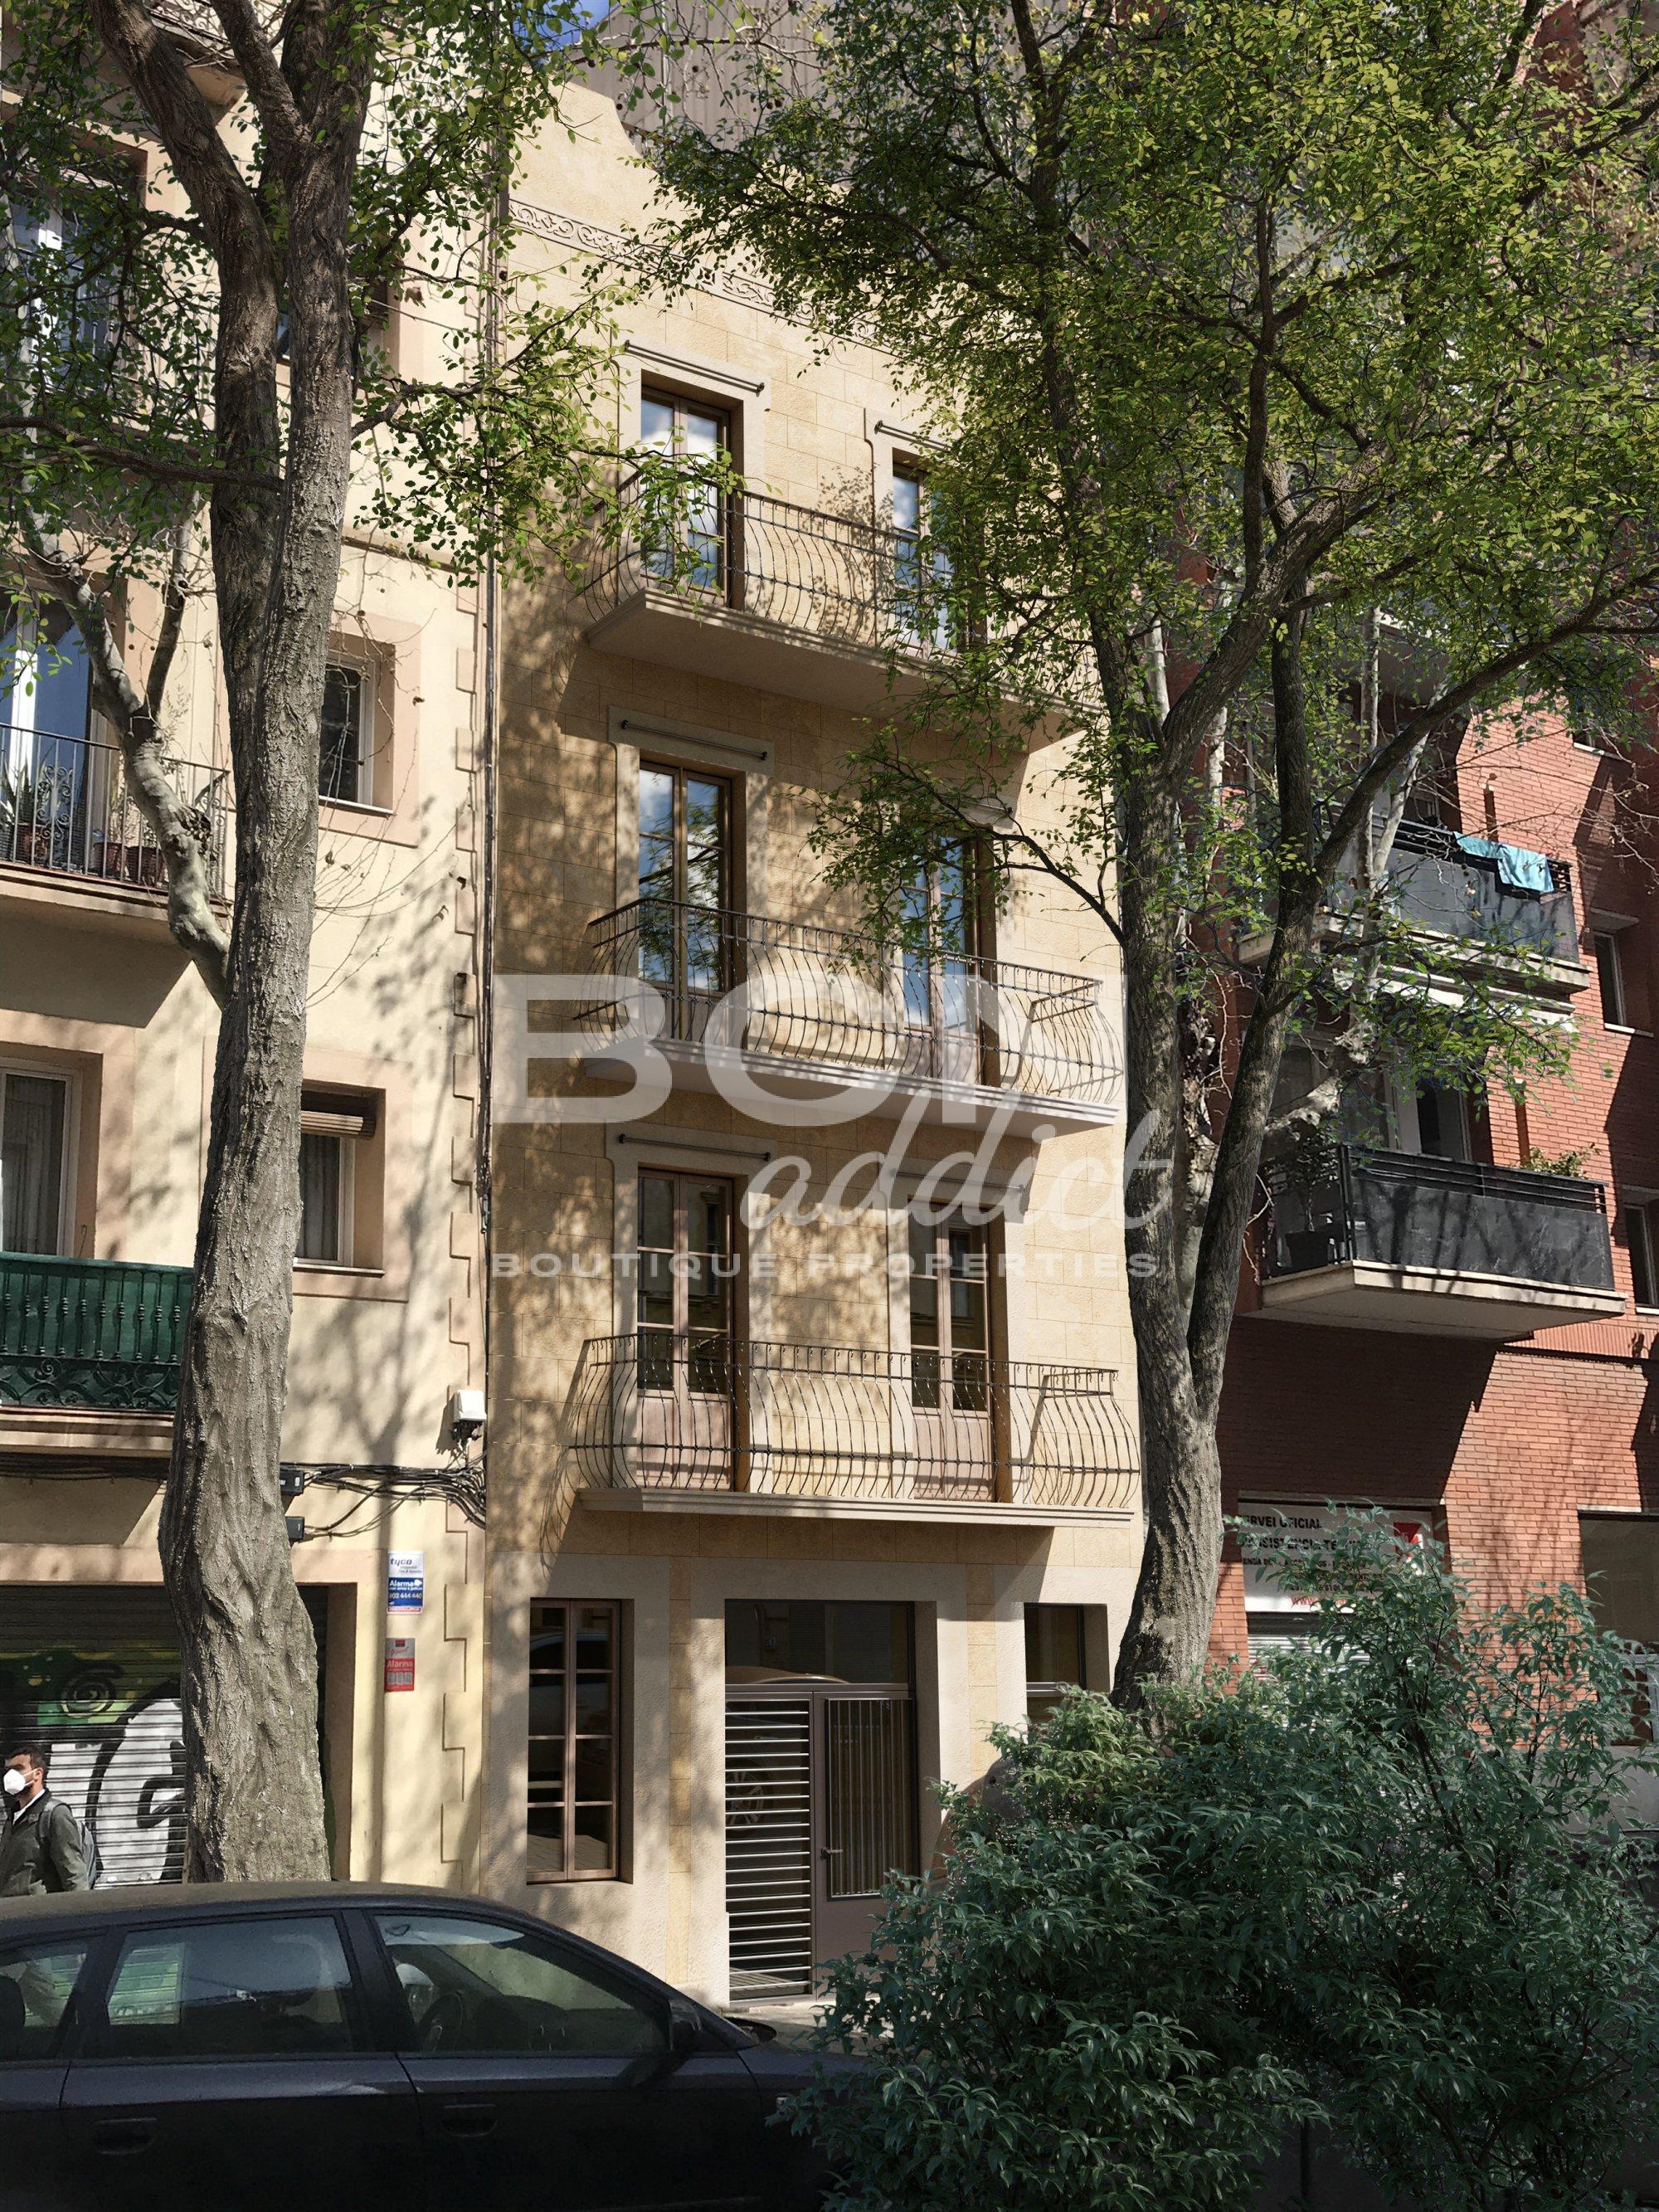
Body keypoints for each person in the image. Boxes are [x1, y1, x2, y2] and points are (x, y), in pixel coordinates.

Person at [1, 1743, 89, 1896]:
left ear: (38, 1774)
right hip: (12, 1908)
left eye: (18, 1769)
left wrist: (81, 1908)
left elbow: (74, 1874)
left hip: (38, 1909)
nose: (11, 1776)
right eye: (9, 1770)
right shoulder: (13, 1818)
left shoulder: (54, 1814)